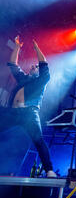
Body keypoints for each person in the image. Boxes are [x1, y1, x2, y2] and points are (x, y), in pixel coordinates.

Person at [0, 36, 56, 177]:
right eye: (33, 65)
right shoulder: (23, 79)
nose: (33, 66)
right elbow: (13, 64)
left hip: (29, 114)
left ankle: (49, 170)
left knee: (38, 140)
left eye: (35, 66)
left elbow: (44, 64)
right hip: (12, 112)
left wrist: (37, 49)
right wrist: (17, 47)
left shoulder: (42, 80)